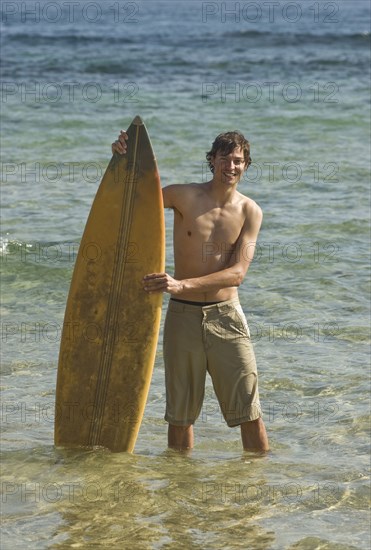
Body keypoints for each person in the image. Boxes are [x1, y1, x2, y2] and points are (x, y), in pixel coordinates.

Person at [112, 128, 269, 453]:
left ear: (246, 165)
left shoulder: (250, 211)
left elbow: (237, 273)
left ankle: (259, 487)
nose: (231, 166)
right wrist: (121, 159)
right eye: (225, 158)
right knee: (180, 416)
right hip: (182, 316)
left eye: (238, 161)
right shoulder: (183, 195)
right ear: (212, 160)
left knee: (250, 411)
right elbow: (133, 197)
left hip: (227, 318)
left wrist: (180, 283)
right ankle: (179, 490)